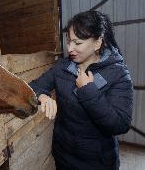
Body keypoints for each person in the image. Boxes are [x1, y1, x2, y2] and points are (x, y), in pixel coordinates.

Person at [29, 11, 133, 170]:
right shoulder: (62, 67)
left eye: (77, 43)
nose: (70, 48)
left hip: (97, 162)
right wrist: (42, 96)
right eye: (69, 41)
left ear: (97, 43)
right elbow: (33, 86)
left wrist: (88, 90)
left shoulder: (118, 74)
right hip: (63, 155)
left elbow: (120, 124)